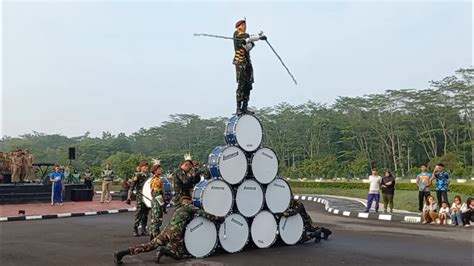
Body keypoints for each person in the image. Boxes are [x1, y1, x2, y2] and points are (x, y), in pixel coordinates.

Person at [113, 196, 222, 264]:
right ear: (187, 201)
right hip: (175, 233)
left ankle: (121, 253)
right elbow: (203, 214)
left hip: (166, 231)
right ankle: (163, 251)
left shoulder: (178, 209)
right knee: (178, 255)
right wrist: (217, 218)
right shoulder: (189, 207)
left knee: (148, 246)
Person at [232, 18, 267, 114]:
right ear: (238, 27)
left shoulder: (246, 36)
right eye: (242, 25)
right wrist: (258, 38)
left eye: (245, 25)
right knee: (241, 84)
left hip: (247, 62)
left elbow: (248, 46)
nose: (244, 27)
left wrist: (247, 42)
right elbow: (245, 40)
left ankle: (245, 107)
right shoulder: (236, 34)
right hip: (240, 62)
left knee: (248, 84)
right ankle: (238, 107)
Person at [131, 161, 150, 236]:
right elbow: (133, 186)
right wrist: (129, 196)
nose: (146, 168)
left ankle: (143, 229)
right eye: (144, 166)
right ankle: (135, 228)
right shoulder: (137, 175)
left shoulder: (149, 176)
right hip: (140, 196)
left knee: (145, 214)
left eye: (147, 166)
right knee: (139, 213)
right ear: (141, 167)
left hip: (147, 197)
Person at [149, 160, 165, 240]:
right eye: (159, 169)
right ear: (155, 171)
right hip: (157, 202)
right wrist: (163, 204)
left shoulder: (156, 179)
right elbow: (157, 194)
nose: (161, 170)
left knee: (155, 219)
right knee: (157, 220)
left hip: (155, 202)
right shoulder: (156, 180)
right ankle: (155, 238)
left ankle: (153, 236)